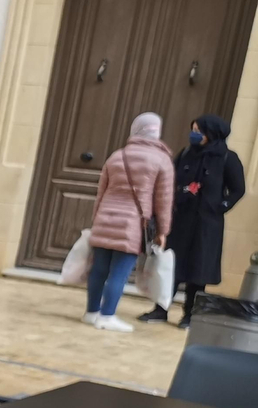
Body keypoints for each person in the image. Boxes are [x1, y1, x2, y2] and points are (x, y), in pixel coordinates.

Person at [142, 113, 246, 328]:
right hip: (181, 220)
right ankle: (161, 309)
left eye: (199, 131)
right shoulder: (187, 154)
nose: (195, 134)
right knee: (171, 265)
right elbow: (170, 178)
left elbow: (238, 189)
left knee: (198, 268)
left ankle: (190, 314)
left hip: (207, 224)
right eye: (194, 130)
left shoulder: (227, 158)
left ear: (211, 133)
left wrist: (221, 206)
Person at [84, 112, 173, 333]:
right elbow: (163, 200)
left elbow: (101, 193)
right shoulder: (162, 161)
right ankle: (107, 316)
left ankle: (92, 312)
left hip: (106, 218)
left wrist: (96, 220)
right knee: (119, 273)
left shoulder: (117, 156)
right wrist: (162, 230)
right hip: (133, 225)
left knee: (99, 270)